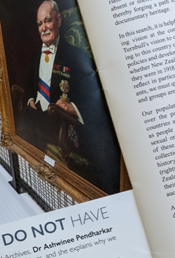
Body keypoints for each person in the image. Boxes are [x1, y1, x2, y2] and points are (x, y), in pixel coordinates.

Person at [17, 0, 121, 193]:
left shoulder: (76, 56)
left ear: (58, 20)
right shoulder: (36, 56)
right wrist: (31, 100)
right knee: (25, 115)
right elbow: (29, 84)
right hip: (38, 114)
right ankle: (31, 173)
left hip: (60, 123)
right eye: (40, 24)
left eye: (47, 21)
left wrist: (73, 107)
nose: (43, 28)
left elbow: (92, 93)